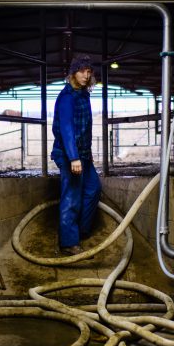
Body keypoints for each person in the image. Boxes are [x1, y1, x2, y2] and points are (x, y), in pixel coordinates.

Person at [51, 54, 101, 255]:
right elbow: (66, 129)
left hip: (83, 155)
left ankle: (81, 231)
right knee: (72, 197)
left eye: (89, 71)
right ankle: (68, 243)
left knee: (93, 189)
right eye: (82, 71)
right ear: (73, 73)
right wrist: (73, 158)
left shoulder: (83, 95)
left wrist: (84, 155)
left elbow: (85, 129)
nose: (86, 75)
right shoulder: (67, 97)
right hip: (69, 155)